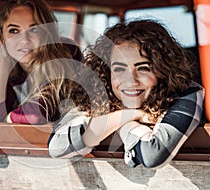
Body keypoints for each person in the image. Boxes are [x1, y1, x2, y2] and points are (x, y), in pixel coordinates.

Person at [48, 20, 204, 168]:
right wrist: (128, 115)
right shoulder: (97, 95)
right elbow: (57, 147)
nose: (131, 80)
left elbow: (152, 155)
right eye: (119, 69)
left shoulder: (187, 93)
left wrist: (118, 124)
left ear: (163, 69)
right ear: (105, 72)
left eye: (143, 68)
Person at [0, 0, 85, 125]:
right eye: (14, 31)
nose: (24, 40)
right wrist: (4, 60)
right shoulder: (15, 75)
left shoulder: (66, 53)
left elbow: (38, 114)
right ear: (1, 36)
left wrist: (8, 117)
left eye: (34, 30)